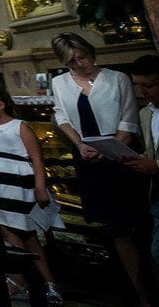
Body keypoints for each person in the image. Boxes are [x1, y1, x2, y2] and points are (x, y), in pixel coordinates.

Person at [50, 32, 150, 305]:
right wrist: (79, 145)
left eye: (82, 57)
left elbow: (129, 120)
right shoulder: (59, 82)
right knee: (114, 227)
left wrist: (111, 149)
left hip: (121, 157)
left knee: (139, 221)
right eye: (71, 61)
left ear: (90, 52)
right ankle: (137, 292)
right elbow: (61, 116)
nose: (79, 64)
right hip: (88, 158)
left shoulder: (117, 78)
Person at [0, 81, 64, 304]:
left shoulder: (19, 126)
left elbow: (36, 158)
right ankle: (18, 279)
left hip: (18, 182)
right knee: (6, 229)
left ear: (1, 104)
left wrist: (40, 187)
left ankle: (48, 282)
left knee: (28, 234)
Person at [126, 55, 159, 273]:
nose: (142, 92)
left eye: (148, 86)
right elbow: (151, 149)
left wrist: (157, 165)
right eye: (137, 86)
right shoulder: (146, 113)